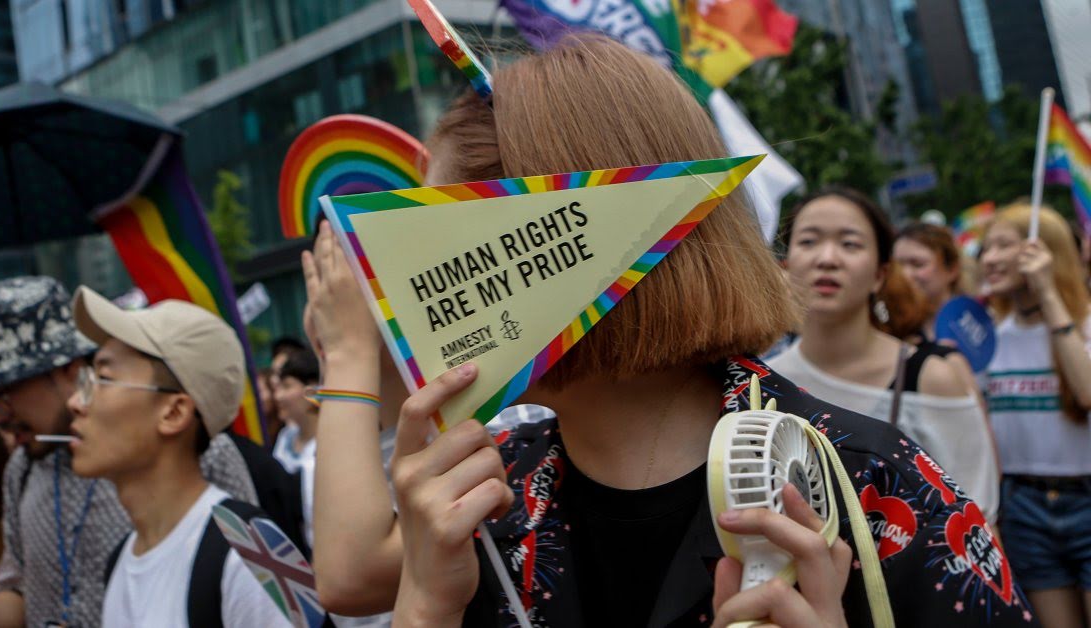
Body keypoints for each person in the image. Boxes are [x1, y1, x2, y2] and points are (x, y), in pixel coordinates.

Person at [373, 34, 1033, 627]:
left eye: (433, 236)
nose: (404, 282)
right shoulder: (488, 503)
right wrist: (424, 603)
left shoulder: (870, 488)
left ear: (593, 242)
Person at [0, 276, 259, 628]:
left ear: (67, 369)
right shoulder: (23, 469)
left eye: (4, 394)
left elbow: (251, 580)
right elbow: (21, 596)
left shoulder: (205, 458)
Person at [302, 223, 553, 623]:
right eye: (324, 276)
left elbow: (349, 580)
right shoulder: (325, 458)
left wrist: (347, 352)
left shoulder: (507, 422)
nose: (331, 298)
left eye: (348, 276)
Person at [770, 188, 1000, 523]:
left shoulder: (931, 378)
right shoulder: (766, 385)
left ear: (880, 273)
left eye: (850, 244)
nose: (828, 258)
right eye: (809, 241)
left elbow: (979, 520)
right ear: (787, 264)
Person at [66, 286, 292, 627]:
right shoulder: (121, 560)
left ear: (174, 413)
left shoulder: (255, 549)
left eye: (104, 378)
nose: (75, 402)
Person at [982, 203, 1091, 628]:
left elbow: (1085, 393)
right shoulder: (987, 338)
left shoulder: (1083, 324)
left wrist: (1048, 293)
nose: (989, 259)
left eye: (1004, 246)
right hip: (1023, 506)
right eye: (986, 248)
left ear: (1044, 251)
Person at [893, 221, 966, 338]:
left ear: (952, 269)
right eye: (897, 266)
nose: (905, 275)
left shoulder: (978, 323)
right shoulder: (892, 329)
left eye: (918, 264)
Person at [272, 349, 321, 475]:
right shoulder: (285, 438)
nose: (278, 396)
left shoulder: (332, 443)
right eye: (278, 388)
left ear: (313, 390)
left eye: (287, 386)